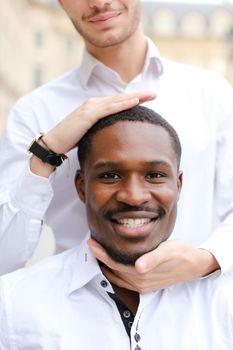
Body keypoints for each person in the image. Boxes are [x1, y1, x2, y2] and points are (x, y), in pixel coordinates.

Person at [0, 0, 233, 291]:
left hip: (188, 315)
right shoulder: (33, 112)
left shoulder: (212, 95)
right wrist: (47, 152)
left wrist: (205, 260)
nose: (99, 2)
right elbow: (3, 259)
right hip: (72, 320)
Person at [0, 106, 232, 350]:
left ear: (178, 185)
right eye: (110, 175)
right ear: (81, 186)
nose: (133, 197)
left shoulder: (223, 301)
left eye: (154, 175)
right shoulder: (14, 304)